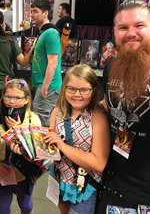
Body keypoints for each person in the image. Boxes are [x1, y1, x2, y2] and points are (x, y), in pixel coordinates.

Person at [96, 0, 150, 214]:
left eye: (139, 26)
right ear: (115, 31)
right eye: (123, 27)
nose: (130, 33)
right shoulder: (111, 67)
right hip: (114, 179)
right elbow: (108, 105)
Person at [41, 64, 110, 214]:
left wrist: (62, 146)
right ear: (64, 88)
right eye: (71, 89)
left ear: (94, 90)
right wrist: (30, 151)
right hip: (60, 180)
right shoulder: (57, 112)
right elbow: (50, 151)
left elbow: (98, 163)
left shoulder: (97, 118)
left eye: (84, 89)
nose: (77, 94)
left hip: (84, 186)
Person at [0, 78, 41, 214]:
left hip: (24, 174)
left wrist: (19, 130)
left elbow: (38, 150)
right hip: (2, 172)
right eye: (8, 97)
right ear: (2, 96)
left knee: (26, 206)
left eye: (18, 98)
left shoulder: (33, 119)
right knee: (3, 208)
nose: (12, 101)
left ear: (26, 99)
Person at [0, 11, 34, 98]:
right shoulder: (10, 43)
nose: (5, 26)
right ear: (0, 25)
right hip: (6, 87)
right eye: (4, 23)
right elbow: (24, 62)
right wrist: (32, 49)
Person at [31, 0, 62, 127]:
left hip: (48, 86)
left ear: (45, 13)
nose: (32, 14)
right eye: (31, 11)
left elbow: (53, 63)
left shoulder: (51, 33)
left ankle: (45, 147)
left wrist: (45, 86)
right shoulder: (43, 33)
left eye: (35, 11)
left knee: (42, 121)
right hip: (42, 84)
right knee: (38, 118)